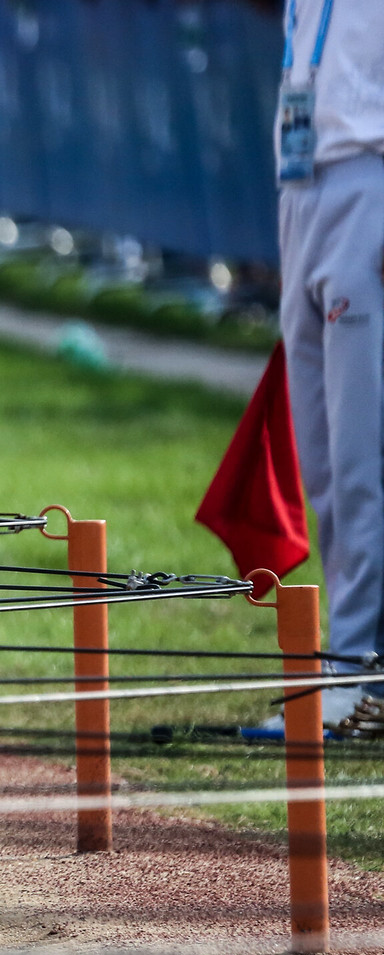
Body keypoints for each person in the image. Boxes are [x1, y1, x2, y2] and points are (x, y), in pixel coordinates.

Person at [272, 0, 384, 737]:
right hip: (299, 184)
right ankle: (345, 661)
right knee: (320, 456)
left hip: (367, 180)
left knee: (359, 458)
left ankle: (358, 667)